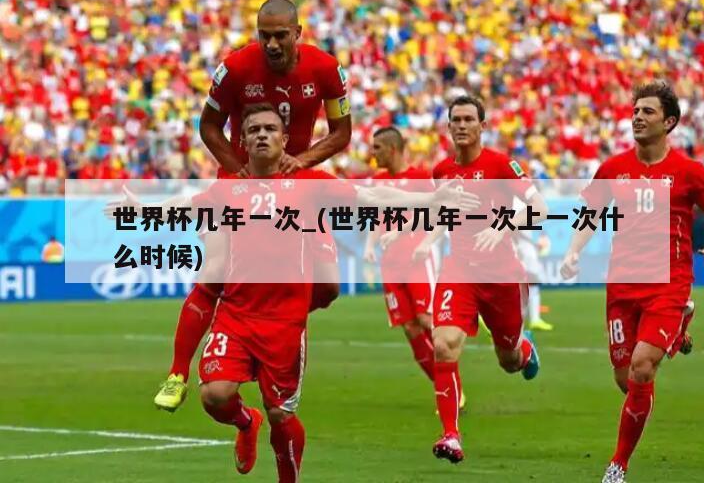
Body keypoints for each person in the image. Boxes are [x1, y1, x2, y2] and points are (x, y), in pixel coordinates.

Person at [116, 103, 476, 480]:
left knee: (280, 414)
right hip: (236, 315)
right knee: (214, 396)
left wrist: (429, 200)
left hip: (285, 323)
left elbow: (371, 196)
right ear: (242, 141)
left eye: (270, 129)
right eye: (253, 129)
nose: (262, 134)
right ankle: (246, 423)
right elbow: (185, 207)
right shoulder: (228, 189)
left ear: (285, 139)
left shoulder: (309, 183)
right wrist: (142, 210)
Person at [154, 0, 352, 412]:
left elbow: (341, 132)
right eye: (265, 36)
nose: (272, 44)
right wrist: (237, 169)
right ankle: (177, 373)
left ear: (297, 33)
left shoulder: (326, 69)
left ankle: (277, 325)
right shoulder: (236, 68)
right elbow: (209, 126)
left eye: (280, 36)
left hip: (295, 184)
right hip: (239, 181)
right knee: (215, 270)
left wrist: (302, 161)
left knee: (329, 286)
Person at [560, 81, 704, 483]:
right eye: (635, 111)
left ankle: (617, 465)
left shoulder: (689, 171)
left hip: (669, 284)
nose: (638, 117)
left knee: (641, 367)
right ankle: (679, 328)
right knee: (627, 380)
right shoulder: (613, 169)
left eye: (648, 111)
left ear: (669, 122)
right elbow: (589, 214)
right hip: (622, 286)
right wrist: (573, 251)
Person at [420, 96, 546, 464]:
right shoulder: (442, 171)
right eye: (455, 120)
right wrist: (426, 237)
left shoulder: (502, 165)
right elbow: (444, 214)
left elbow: (539, 209)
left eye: (468, 119)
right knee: (443, 344)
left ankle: (524, 349)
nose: (461, 125)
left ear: (482, 126)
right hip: (459, 270)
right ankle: (451, 435)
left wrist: (501, 225)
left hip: (501, 274)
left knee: (508, 360)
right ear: (448, 127)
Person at [363, 126, 465, 409]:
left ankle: (452, 386)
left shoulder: (421, 178)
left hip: (418, 259)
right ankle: (444, 388)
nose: (373, 153)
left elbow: (438, 212)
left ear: (392, 149)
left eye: (377, 148)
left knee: (426, 320)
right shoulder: (378, 182)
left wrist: (423, 240)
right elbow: (376, 218)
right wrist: (369, 245)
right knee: (409, 328)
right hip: (390, 263)